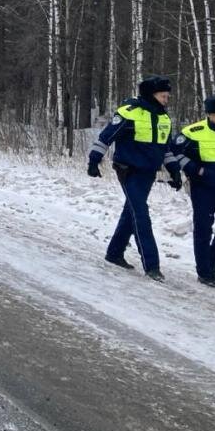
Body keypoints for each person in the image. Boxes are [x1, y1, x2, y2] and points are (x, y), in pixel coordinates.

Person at [87, 75, 182, 281]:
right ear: (151, 94)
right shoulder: (129, 113)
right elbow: (106, 137)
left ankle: (114, 253)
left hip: (148, 173)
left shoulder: (164, 118)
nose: (166, 99)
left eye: (167, 96)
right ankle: (152, 265)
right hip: (128, 169)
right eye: (163, 96)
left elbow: (165, 149)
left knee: (131, 212)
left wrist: (174, 170)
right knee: (141, 214)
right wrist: (94, 161)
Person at [173, 96, 215, 287]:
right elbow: (175, 152)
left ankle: (210, 262)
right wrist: (196, 170)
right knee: (203, 228)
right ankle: (204, 271)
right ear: (208, 114)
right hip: (203, 187)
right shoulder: (193, 132)